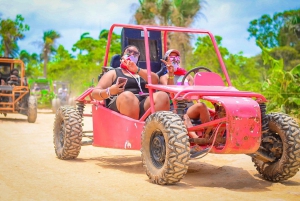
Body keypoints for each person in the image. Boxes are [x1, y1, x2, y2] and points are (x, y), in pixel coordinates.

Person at [91, 45, 170, 120]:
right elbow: (95, 93)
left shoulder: (141, 72)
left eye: (135, 54)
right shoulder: (113, 73)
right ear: (122, 57)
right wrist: (110, 91)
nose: (132, 54)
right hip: (123, 103)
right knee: (128, 96)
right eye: (129, 52)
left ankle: (156, 130)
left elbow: (155, 80)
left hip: (142, 102)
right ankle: (133, 131)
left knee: (162, 96)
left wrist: (137, 70)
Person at [160, 49, 211, 153]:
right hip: (174, 107)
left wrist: (191, 95)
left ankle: (208, 134)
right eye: (172, 58)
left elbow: (195, 90)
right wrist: (171, 73)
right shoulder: (164, 77)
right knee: (182, 114)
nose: (175, 60)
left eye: (177, 58)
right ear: (166, 60)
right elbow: (170, 92)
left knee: (202, 106)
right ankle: (196, 139)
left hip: (189, 105)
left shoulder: (187, 75)